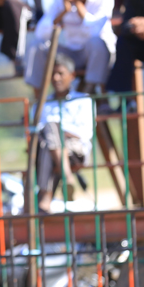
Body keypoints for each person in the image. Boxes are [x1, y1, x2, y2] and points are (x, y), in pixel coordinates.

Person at [34, 53, 94, 213]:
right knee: (47, 142)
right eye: (53, 74)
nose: (56, 78)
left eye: (60, 73)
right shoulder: (42, 104)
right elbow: (34, 132)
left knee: (49, 130)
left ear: (72, 76)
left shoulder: (83, 100)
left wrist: (56, 130)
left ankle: (44, 197)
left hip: (76, 150)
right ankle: (67, 178)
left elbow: (84, 132)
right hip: (47, 149)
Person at [24, 0, 113, 93]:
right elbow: (40, 33)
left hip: (95, 54)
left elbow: (95, 32)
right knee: (37, 45)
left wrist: (79, 6)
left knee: (96, 43)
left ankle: (91, 91)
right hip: (70, 53)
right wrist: (63, 12)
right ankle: (39, 97)